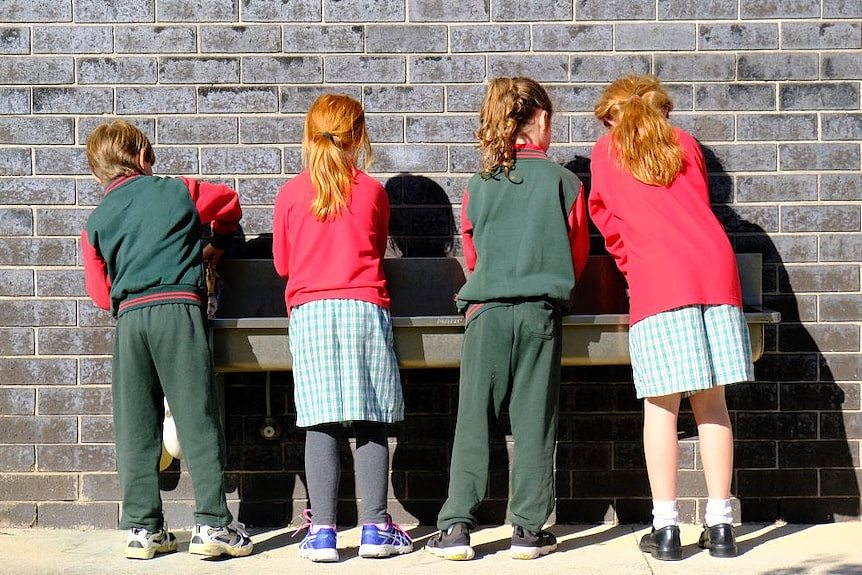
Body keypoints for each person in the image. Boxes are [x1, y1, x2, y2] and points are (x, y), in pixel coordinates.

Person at [588, 74, 754, 561]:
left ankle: (666, 530)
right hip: (715, 272)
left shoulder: (606, 150)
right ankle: (721, 527)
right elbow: (697, 204)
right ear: (663, 108)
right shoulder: (683, 142)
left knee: (661, 408)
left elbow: (606, 220)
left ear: (613, 113)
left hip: (661, 279)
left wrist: (631, 263)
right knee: (713, 404)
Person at [426, 77, 590, 561]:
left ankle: (456, 527)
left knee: (473, 419)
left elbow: (472, 255)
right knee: (535, 420)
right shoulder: (566, 183)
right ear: (539, 120)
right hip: (540, 311)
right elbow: (576, 254)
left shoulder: (479, 184)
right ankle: (527, 530)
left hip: (487, 314)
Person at [81, 120, 253, 560]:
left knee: (136, 424)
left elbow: (101, 295)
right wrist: (217, 242)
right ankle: (213, 525)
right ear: (142, 157)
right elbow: (229, 201)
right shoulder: (179, 190)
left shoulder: (95, 221)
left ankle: (143, 529)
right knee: (197, 415)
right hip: (178, 309)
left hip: (130, 320)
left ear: (100, 171)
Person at [272, 94, 413, 563]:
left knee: (321, 422)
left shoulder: (292, 193)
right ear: (358, 136)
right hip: (362, 309)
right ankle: (375, 527)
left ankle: (324, 533)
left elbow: (281, 264)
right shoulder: (372, 191)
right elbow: (376, 247)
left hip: (311, 313)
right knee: (370, 420)